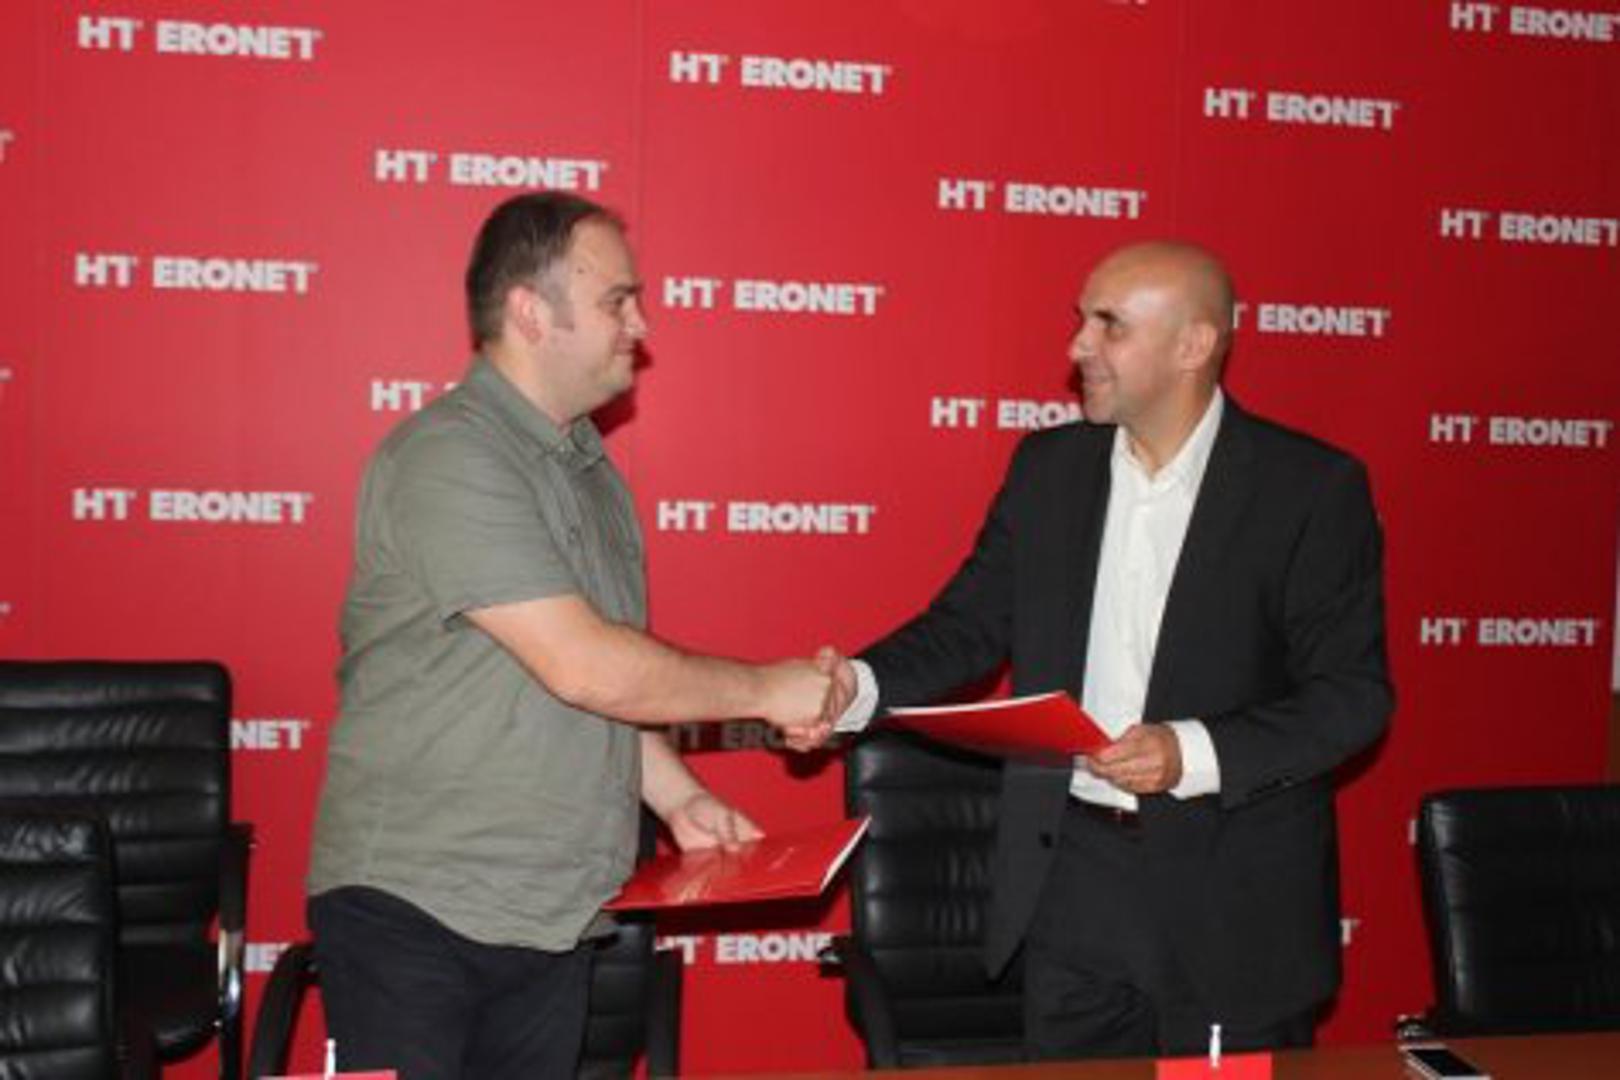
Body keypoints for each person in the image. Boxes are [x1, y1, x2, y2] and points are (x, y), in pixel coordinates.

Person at [307, 192, 838, 1078]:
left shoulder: (590, 470)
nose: (642, 323)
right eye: (616, 301)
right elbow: (585, 665)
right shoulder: (450, 457)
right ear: (530, 311)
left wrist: (675, 797)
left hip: (552, 912)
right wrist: (769, 690)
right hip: (418, 911)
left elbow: (581, 679)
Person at [822, 240, 1392, 1059]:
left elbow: (1351, 698)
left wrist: (1188, 752)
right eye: (1080, 321)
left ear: (1194, 344)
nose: (1077, 346)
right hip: (1072, 883)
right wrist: (856, 686)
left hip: (1232, 901)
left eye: (1109, 325)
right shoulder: (1048, 469)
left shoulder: (1307, 488)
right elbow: (967, 627)